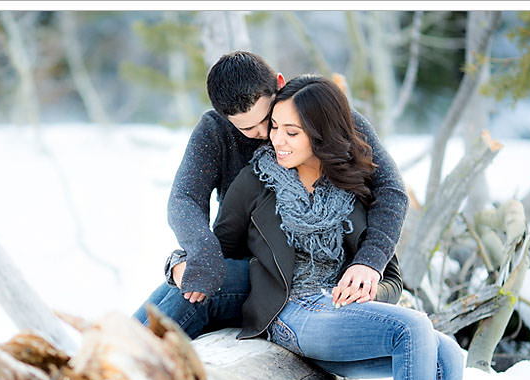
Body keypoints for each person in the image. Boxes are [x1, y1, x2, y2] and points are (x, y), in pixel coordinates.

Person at [212, 75, 463, 380]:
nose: (277, 140)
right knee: (415, 326)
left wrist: (365, 286)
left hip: (338, 315)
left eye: (291, 132)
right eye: (275, 128)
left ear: (320, 133)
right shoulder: (257, 181)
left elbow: (392, 279)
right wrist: (181, 264)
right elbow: (221, 247)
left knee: (448, 351)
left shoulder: (353, 187)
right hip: (290, 311)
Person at [133, 51, 409, 339]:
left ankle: (123, 359)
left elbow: (391, 189)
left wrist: (371, 261)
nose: (267, 133)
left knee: (187, 291)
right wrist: (199, 253)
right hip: (247, 258)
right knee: (182, 290)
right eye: (247, 128)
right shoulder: (215, 131)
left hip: (307, 272)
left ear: (279, 84)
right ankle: (108, 357)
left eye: (267, 119)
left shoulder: (326, 117)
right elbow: (184, 198)